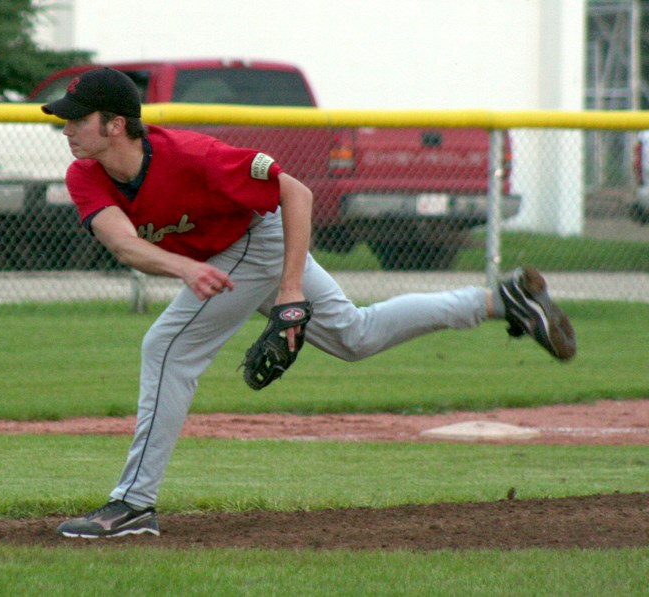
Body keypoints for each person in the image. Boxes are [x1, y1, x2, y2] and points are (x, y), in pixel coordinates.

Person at [41, 68, 576, 539]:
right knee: (354, 336)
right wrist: (184, 267)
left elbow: (294, 192)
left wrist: (290, 289)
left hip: (258, 238)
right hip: (226, 254)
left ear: (114, 124)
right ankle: (497, 301)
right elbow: (123, 242)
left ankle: (133, 504)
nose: (65, 128)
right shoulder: (85, 173)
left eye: (75, 119)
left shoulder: (193, 156)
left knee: (167, 349)